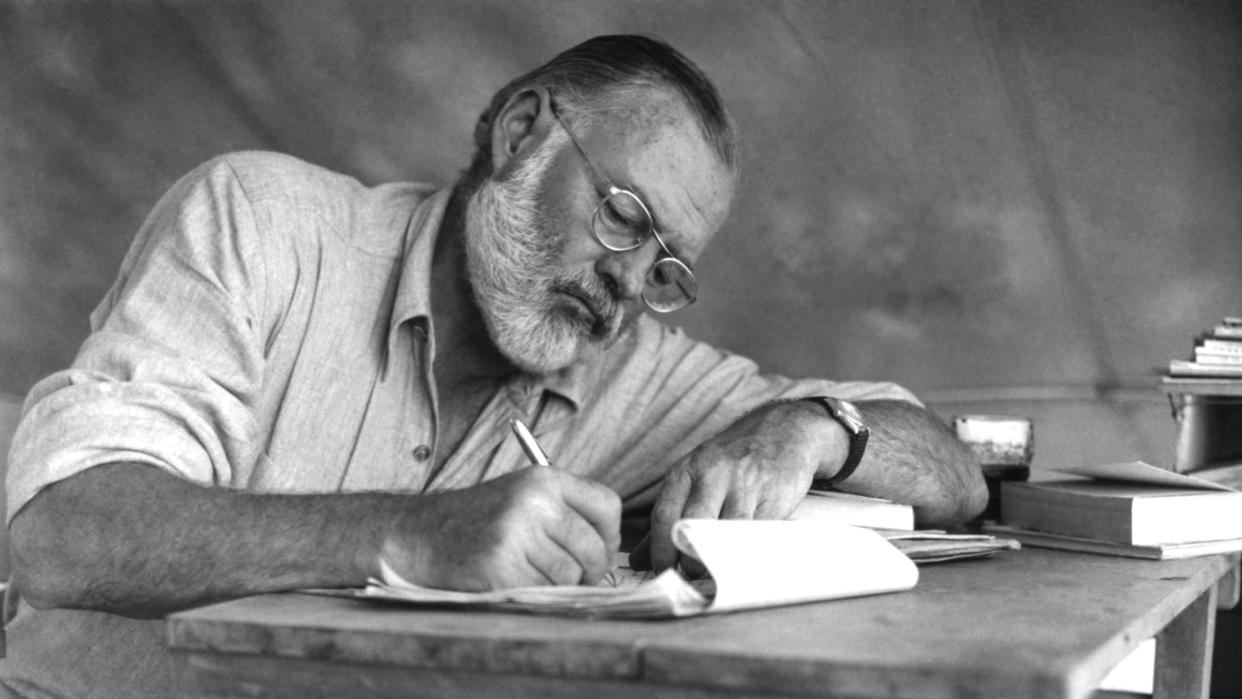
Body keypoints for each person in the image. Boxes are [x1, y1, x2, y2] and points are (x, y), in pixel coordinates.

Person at [1, 35, 986, 696]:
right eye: (624, 216)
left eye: (666, 267)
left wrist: (812, 427)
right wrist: (414, 537)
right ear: (522, 132)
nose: (625, 282)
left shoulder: (633, 370)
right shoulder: (261, 225)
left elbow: (953, 470)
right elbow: (63, 533)